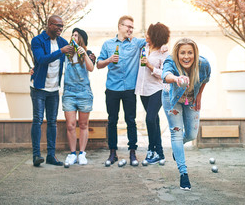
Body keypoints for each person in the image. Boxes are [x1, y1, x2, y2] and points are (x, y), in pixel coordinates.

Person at [97, 15, 147, 166]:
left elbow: (152, 41)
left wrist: (163, 46)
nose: (130, 29)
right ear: (120, 26)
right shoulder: (108, 44)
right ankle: (113, 152)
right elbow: (98, 64)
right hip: (112, 88)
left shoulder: (136, 42)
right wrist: (109, 60)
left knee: (130, 121)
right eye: (128, 26)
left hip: (130, 89)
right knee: (112, 120)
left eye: (132, 27)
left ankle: (133, 152)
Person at [161, 38, 211, 190]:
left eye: (190, 52)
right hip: (172, 98)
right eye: (182, 53)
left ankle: (178, 148)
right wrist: (176, 79)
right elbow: (166, 75)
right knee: (176, 133)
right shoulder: (170, 61)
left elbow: (205, 80)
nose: (186, 56)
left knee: (191, 135)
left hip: (190, 98)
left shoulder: (203, 64)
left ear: (195, 54)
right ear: (177, 54)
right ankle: (183, 173)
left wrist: (199, 96)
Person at [30, 15, 74, 167]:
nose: (61, 28)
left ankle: (51, 155)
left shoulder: (62, 42)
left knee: (52, 122)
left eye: (62, 26)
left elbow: (72, 57)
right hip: (39, 88)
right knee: (37, 120)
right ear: (49, 25)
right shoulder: (37, 41)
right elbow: (41, 59)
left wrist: (89, 56)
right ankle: (36, 155)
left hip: (54, 89)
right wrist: (60, 51)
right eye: (58, 25)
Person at [135, 22, 170, 164]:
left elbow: (165, 74)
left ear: (156, 36)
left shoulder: (164, 53)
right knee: (154, 119)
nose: (146, 36)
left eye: (149, 34)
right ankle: (160, 153)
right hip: (143, 89)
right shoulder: (144, 47)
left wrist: (150, 66)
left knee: (150, 119)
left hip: (157, 89)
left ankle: (151, 149)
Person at [63, 28, 95, 165]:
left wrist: (85, 54)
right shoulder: (67, 54)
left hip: (84, 93)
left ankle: (82, 153)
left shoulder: (88, 53)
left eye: (76, 35)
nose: (73, 37)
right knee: (70, 125)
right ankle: (72, 153)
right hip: (69, 93)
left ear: (81, 38)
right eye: (72, 35)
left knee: (83, 124)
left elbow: (91, 68)